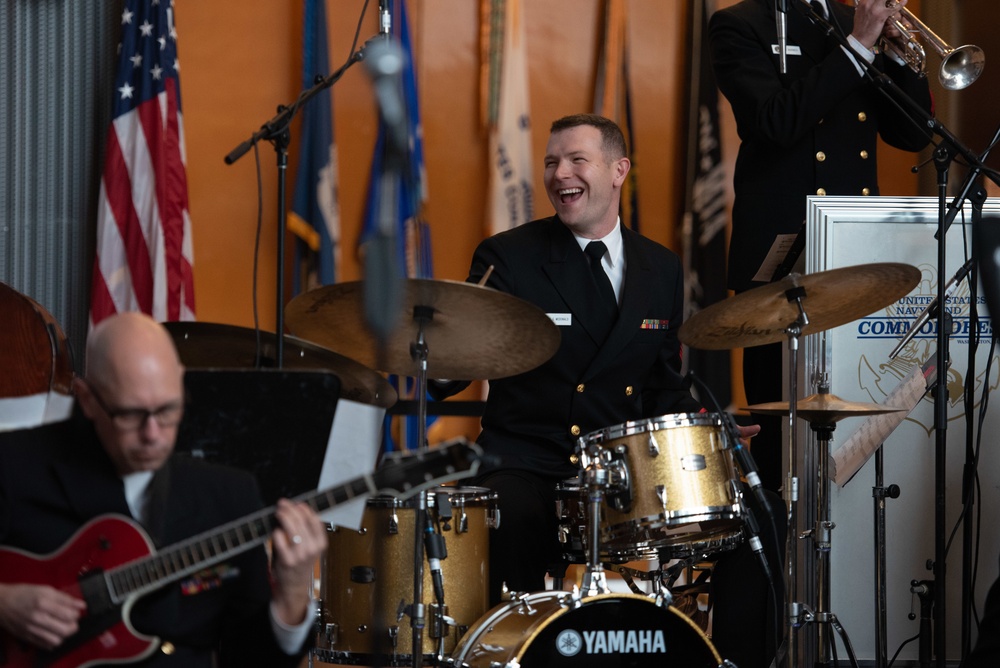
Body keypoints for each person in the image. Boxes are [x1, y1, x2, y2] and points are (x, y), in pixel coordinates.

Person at [434, 114, 784, 668]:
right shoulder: (510, 256)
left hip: (624, 475)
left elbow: (661, 385)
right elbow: (456, 358)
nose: (559, 174)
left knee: (761, 516)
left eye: (577, 160)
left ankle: (733, 659)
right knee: (511, 513)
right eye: (551, 162)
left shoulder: (661, 268)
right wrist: (438, 354)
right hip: (529, 461)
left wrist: (705, 430)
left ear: (619, 170)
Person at [0, 312, 327, 667]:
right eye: (130, 414)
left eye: (168, 409)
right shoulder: (14, 463)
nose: (153, 433)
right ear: (88, 399)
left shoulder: (230, 495)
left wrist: (292, 595)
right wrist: (3, 603)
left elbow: (251, 660)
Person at [708, 0, 934, 491]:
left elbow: (913, 132)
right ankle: (778, 556)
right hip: (781, 260)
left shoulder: (847, 19)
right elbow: (774, 122)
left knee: (854, 412)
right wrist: (858, 45)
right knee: (779, 427)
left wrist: (894, 53)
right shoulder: (739, 24)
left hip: (855, 254)